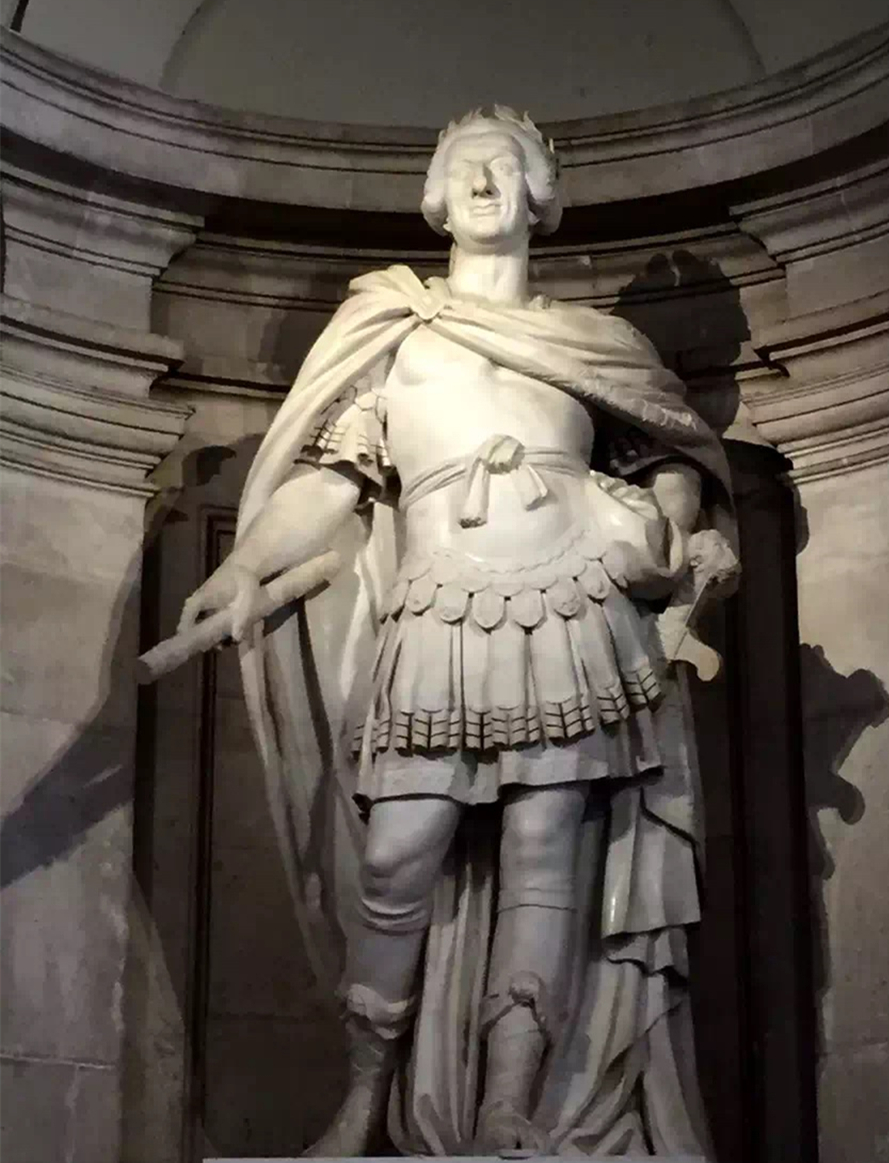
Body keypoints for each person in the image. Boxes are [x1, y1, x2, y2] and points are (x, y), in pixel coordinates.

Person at [178, 106, 738, 1157]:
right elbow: (333, 480)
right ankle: (362, 1101)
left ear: (540, 195)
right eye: (464, 165)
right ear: (436, 196)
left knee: (543, 851)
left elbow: (668, 454)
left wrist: (678, 528)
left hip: (572, 604)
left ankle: (506, 1106)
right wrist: (245, 564)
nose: (484, 179)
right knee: (398, 856)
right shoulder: (394, 328)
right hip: (439, 605)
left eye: (505, 165)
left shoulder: (600, 345)